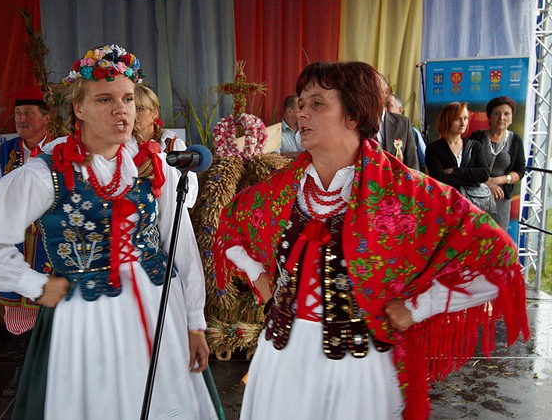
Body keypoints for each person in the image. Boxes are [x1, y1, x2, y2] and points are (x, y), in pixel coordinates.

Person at [213, 61, 529, 419]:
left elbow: (498, 257)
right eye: (300, 104)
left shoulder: (404, 192)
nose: (302, 112)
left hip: (357, 369)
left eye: (317, 103)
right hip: (281, 362)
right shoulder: (283, 188)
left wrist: (417, 307)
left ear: (354, 115)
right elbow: (231, 225)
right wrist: (260, 277)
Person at [0, 44, 217, 420]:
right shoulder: (47, 173)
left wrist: (194, 323)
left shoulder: (154, 164)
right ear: (78, 108)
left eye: (128, 99)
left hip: (158, 310)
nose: (121, 109)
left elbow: (180, 242)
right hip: (88, 317)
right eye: (105, 99)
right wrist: (32, 283)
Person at [0, 85, 56, 397]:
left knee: (53, 309)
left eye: (28, 113)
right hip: (17, 243)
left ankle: (55, 375)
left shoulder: (60, 149)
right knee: (17, 309)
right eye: (17, 114)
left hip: (52, 243)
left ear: (47, 118)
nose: (21, 119)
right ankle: (23, 372)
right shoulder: (5, 152)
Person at [133, 83, 198, 208]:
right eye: (131, 109)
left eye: (140, 109)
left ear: (155, 113)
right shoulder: (123, 146)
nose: (135, 115)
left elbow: (190, 193)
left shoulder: (172, 145)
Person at [469, 96, 526, 229]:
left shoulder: (515, 140)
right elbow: (467, 166)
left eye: (506, 114)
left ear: (511, 118)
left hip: (501, 199)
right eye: (497, 113)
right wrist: (487, 182)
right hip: (476, 196)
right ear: (489, 117)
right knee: (474, 234)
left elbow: (520, 170)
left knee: (498, 237)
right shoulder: (477, 137)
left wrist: (498, 180)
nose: (501, 118)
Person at [425, 102, 490, 193]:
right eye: (457, 119)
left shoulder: (475, 146)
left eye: (465, 118)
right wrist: (472, 178)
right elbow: (439, 179)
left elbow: (484, 174)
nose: (463, 123)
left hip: (471, 199)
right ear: (447, 120)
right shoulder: (433, 149)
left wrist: (455, 171)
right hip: (446, 199)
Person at [378, 78, 419, 170]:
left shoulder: (403, 123)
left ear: (385, 91)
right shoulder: (358, 124)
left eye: (374, 88)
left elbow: (412, 163)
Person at [386, 92, 427, 172]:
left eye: (388, 105)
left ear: (400, 109)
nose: (384, 108)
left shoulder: (412, 132)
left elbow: (423, 160)